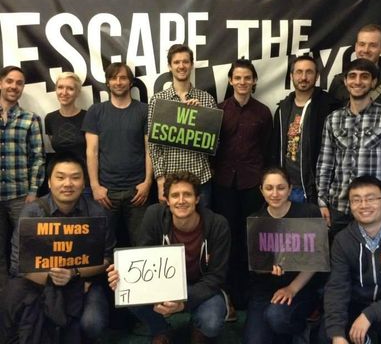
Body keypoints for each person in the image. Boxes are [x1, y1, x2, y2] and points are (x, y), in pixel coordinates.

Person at [3, 152, 115, 343]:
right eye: (60, 177)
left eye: (75, 177)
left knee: (93, 323)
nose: (68, 184)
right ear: (49, 182)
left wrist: (74, 273)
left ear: (84, 183)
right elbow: (17, 265)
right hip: (39, 283)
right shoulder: (32, 213)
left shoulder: (97, 213)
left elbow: (107, 259)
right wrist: (53, 278)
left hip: (85, 283)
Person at [108, 171, 230, 344]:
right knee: (127, 293)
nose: (181, 200)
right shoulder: (154, 215)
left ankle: (198, 328)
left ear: (197, 199)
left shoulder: (217, 224)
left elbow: (216, 277)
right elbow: (143, 258)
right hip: (163, 285)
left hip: (201, 286)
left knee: (211, 322)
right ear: (167, 200)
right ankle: (161, 329)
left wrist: (183, 302)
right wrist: (123, 275)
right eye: (175, 195)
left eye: (187, 194)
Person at [212, 57, 272, 312]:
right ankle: (229, 293)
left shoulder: (263, 112)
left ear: (254, 80)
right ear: (230, 81)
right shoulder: (218, 110)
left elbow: (268, 149)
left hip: (252, 183)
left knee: (252, 237)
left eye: (247, 77)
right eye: (237, 77)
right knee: (228, 237)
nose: (242, 82)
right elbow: (209, 145)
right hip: (223, 183)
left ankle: (253, 291)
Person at [316, 58, 381, 235]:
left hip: (376, 209)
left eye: (364, 76)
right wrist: (322, 202)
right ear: (345, 81)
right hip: (339, 208)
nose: (358, 81)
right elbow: (325, 163)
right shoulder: (333, 119)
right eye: (352, 76)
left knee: (377, 254)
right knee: (338, 252)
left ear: (373, 82)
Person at [243, 167, 321, 344]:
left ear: (290, 189)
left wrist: (292, 288)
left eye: (281, 188)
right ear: (261, 190)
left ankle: (301, 329)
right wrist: (266, 268)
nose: (275, 193)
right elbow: (254, 264)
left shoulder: (308, 213)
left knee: (277, 317)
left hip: (300, 287)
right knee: (254, 341)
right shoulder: (255, 221)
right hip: (264, 290)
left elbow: (316, 259)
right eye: (269, 188)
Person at [323, 175, 381, 344]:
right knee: (325, 335)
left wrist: (370, 314)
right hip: (357, 305)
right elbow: (337, 287)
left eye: (371, 199)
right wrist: (337, 334)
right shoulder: (342, 240)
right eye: (356, 200)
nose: (363, 205)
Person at [82, 62, 152, 246]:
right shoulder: (96, 111)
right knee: (101, 245)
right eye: (114, 78)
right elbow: (91, 152)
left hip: (138, 191)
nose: (118, 82)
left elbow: (149, 149)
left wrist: (147, 183)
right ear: (107, 82)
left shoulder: (144, 110)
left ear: (130, 82)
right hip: (106, 192)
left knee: (142, 244)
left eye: (123, 78)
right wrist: (95, 187)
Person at [148, 44, 217, 208]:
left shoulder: (206, 99)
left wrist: (201, 117)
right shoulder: (158, 101)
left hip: (201, 179)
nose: (181, 66)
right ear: (169, 66)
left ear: (191, 65)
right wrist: (160, 180)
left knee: (202, 223)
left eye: (185, 61)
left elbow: (215, 144)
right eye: (176, 62)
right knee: (170, 224)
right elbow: (153, 145)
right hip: (170, 181)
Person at [0, 65, 45, 291]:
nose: (14, 86)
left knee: (24, 248)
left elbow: (38, 158)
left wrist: (33, 191)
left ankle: (20, 296)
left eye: (19, 83)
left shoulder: (30, 119)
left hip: (20, 196)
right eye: (9, 81)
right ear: (1, 83)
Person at [271, 55, 339, 204]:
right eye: (299, 72)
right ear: (291, 76)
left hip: (315, 190)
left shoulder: (328, 106)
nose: (303, 77)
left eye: (309, 72)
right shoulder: (282, 109)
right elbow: (275, 150)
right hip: (285, 189)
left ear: (317, 76)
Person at [329, 24, 381, 109]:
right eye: (362, 44)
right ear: (356, 47)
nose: (366, 50)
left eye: (373, 45)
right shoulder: (338, 82)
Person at [45, 72, 89, 190]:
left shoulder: (88, 116)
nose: (64, 92)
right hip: (61, 181)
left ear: (77, 92)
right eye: (60, 87)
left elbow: (93, 152)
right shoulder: (50, 118)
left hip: (85, 180)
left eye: (70, 88)